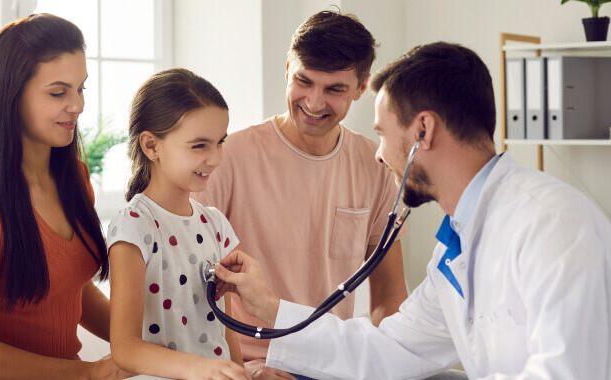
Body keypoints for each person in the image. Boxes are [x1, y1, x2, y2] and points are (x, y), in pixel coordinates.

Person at [211, 41, 611, 379]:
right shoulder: (456, 247)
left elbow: (568, 370)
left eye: (383, 134)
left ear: (423, 131)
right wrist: (272, 310)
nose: (380, 155)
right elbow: (386, 349)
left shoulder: (553, 224)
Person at [192, 10, 409, 378]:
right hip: (245, 362)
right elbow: (188, 287)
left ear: (361, 87)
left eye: (334, 89)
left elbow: (389, 298)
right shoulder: (227, 157)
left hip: (333, 362)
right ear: (288, 68)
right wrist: (237, 367)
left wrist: (388, 364)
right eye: (304, 81)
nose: (313, 102)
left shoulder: (376, 167)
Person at [0, 14, 128, 380]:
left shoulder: (75, 177)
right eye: (58, 92)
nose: (78, 106)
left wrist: (148, 339)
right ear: (12, 94)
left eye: (80, 88)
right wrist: (89, 373)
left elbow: (75, 291)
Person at [106, 68, 249, 380]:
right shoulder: (134, 226)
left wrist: (241, 374)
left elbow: (225, 329)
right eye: (199, 145)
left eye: (219, 142)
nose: (215, 159)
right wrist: (204, 369)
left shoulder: (215, 224)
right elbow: (125, 349)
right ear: (151, 146)